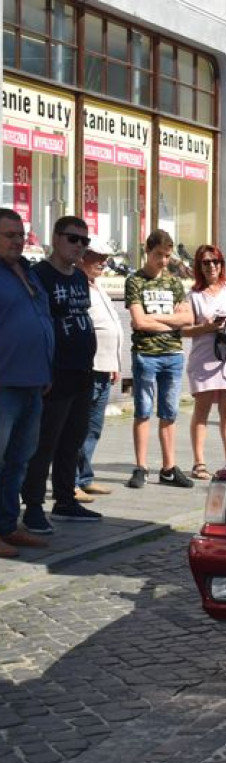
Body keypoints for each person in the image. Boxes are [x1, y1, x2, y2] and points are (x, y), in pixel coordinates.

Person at [21, 215, 101, 532]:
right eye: (73, 238)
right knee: (45, 442)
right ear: (56, 238)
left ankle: (66, 499)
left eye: (84, 241)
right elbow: (37, 324)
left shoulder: (80, 278)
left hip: (83, 369)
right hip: (56, 371)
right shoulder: (40, 275)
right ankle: (33, 506)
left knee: (73, 440)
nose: (79, 246)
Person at [0, 209, 53, 558]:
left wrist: (47, 370)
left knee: (20, 460)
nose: (18, 240)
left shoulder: (29, 274)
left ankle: (6, 525)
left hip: (33, 382)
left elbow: (43, 320)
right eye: (9, 235)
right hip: (3, 385)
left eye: (21, 234)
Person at [124, 230, 195, 490]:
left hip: (173, 355)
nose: (164, 261)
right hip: (146, 354)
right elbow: (138, 321)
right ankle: (141, 466)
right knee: (143, 410)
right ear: (147, 251)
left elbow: (188, 320)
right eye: (158, 255)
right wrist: (170, 322)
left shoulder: (174, 283)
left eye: (167, 256)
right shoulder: (135, 281)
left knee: (169, 412)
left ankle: (168, 467)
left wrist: (156, 322)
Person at [182, 245, 226, 480]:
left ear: (222, 264)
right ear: (199, 267)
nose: (212, 266)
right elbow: (185, 330)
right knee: (202, 410)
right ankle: (199, 462)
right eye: (206, 262)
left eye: (216, 261)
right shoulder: (193, 295)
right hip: (204, 357)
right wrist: (207, 327)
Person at [75, 242, 123, 502]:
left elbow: (110, 326)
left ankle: (85, 478)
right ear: (84, 257)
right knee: (77, 428)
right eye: (98, 257)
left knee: (93, 428)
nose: (103, 263)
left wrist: (115, 363)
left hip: (105, 367)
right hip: (89, 368)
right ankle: (70, 482)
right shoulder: (79, 285)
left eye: (106, 258)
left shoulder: (98, 286)